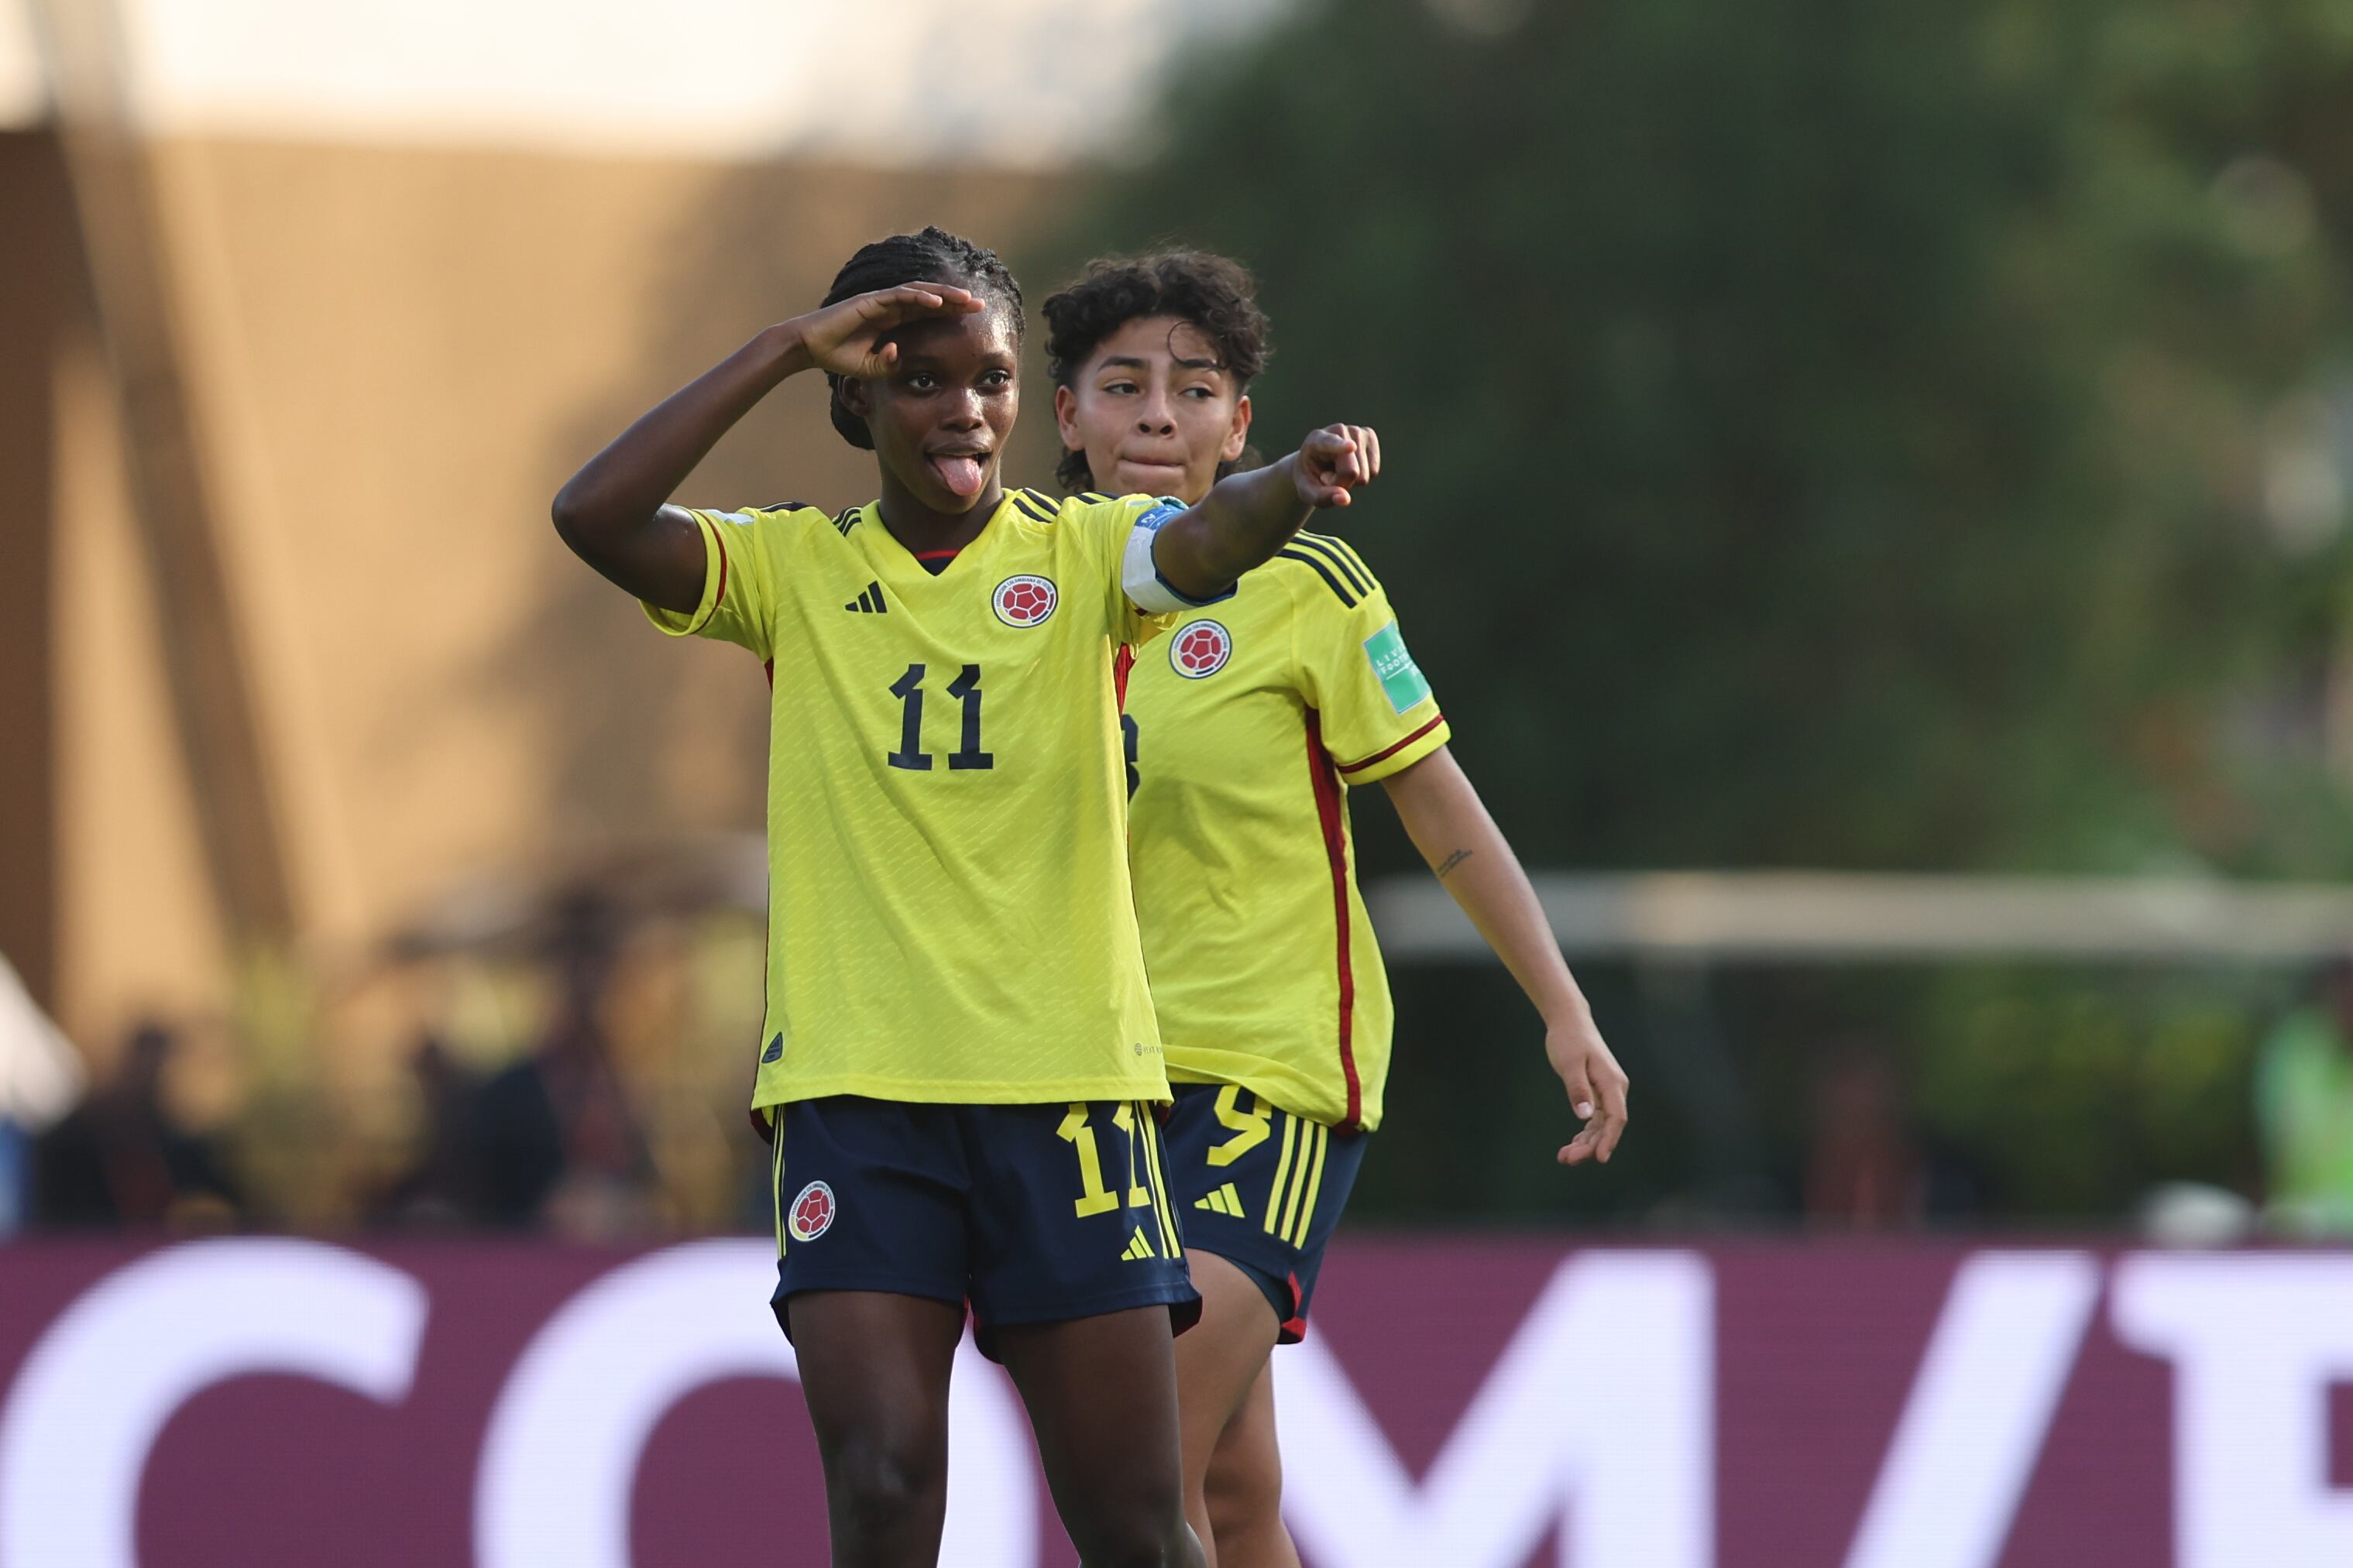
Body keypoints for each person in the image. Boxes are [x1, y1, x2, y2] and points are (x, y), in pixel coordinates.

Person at [550, 225, 1383, 1568]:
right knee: (881, 1488)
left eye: (989, 378)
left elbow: (1209, 540)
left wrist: (1292, 479)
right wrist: (774, 350)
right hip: (858, 1097)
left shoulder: (1085, 556)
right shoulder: (793, 572)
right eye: (918, 378)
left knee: (1136, 1524)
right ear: (855, 397)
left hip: (1063, 1097)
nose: (965, 410)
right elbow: (591, 515)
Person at [1044, 250, 1628, 1566]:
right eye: (1121, 384)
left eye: (1194, 389)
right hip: (1089, 1081)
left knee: (1141, 1468)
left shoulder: (1304, 587)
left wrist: (1562, 1005)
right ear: (1065, 415)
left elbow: (1441, 812)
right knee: (1233, 1492)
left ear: (1239, 427)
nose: (1156, 415)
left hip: (1267, 1068)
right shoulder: (1023, 604)